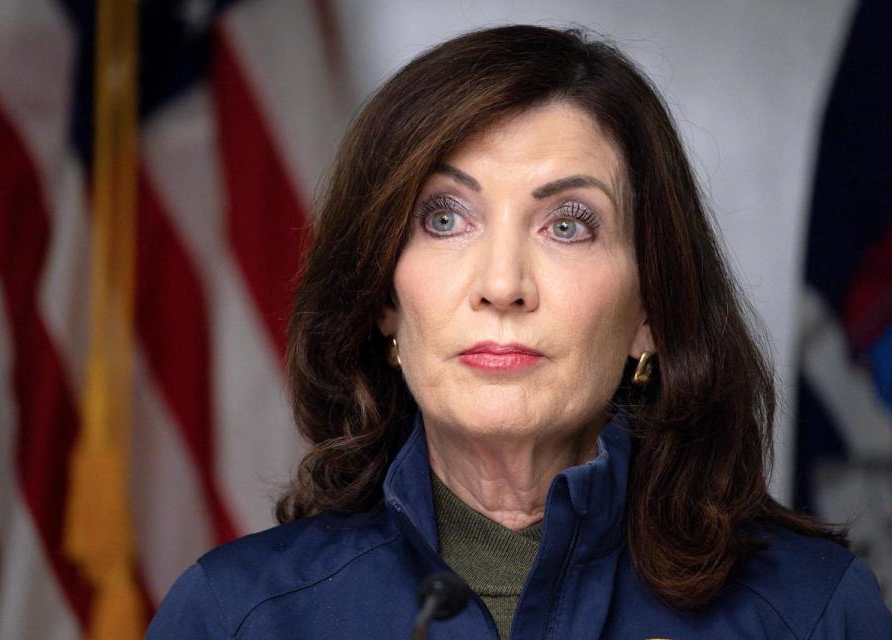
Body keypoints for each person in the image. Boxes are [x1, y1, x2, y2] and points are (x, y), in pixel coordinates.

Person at [146, 25, 892, 639]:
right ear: (385, 300)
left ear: (648, 316)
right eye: (444, 219)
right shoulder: (234, 616)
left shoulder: (812, 612)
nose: (502, 285)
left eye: (568, 225)